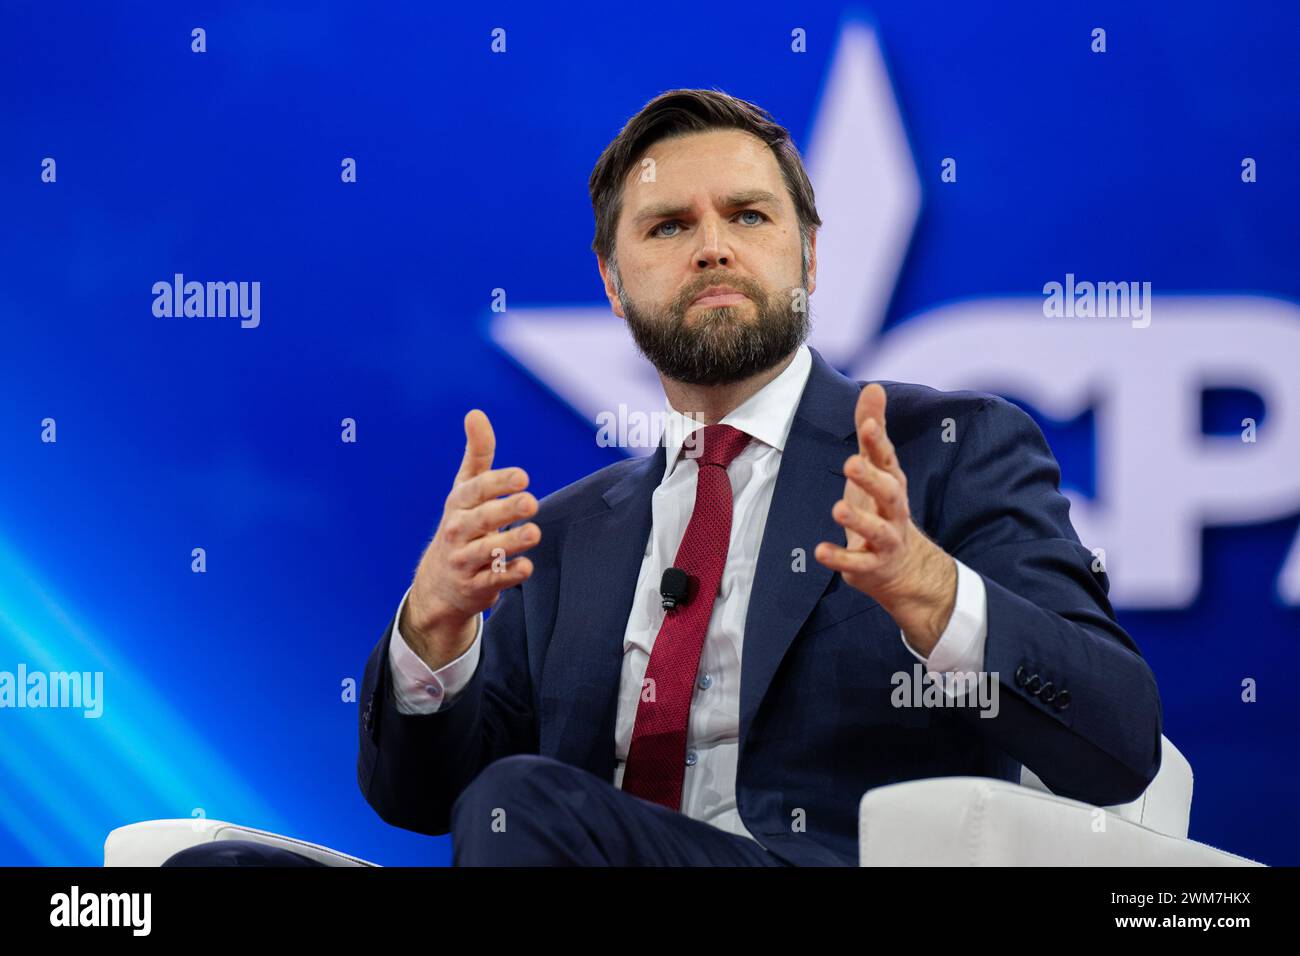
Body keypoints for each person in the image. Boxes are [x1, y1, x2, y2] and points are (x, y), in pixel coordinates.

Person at [168, 88, 1161, 868]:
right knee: (206, 869)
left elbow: (1117, 744)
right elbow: (429, 803)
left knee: (527, 800)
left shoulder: (950, 447)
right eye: (667, 226)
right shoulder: (562, 538)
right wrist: (433, 634)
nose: (714, 244)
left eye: (748, 214)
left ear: (808, 255)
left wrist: (933, 591)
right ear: (611, 279)